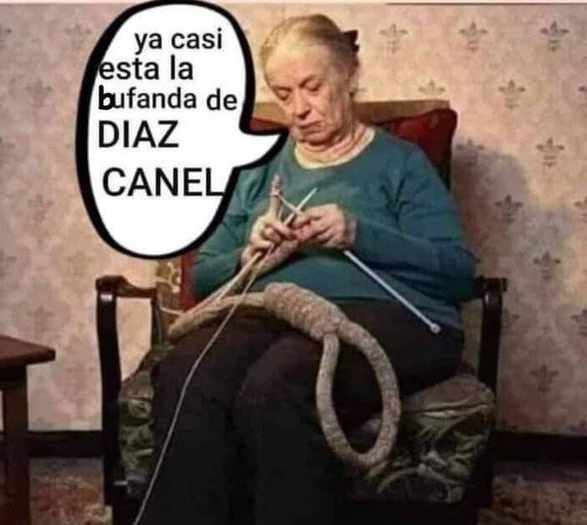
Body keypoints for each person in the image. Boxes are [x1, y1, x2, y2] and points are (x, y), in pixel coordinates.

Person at [140, 14, 477, 525]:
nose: (298, 109)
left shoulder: (402, 164)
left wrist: (360, 233)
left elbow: (458, 274)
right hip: (273, 313)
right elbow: (204, 279)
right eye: (283, 93)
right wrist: (247, 254)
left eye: (312, 88)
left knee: (279, 383)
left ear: (349, 76)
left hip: (393, 318)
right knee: (186, 371)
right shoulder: (258, 168)